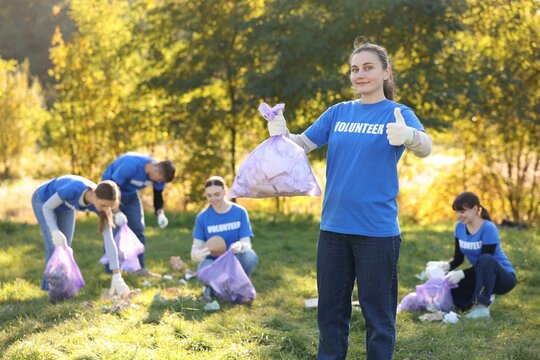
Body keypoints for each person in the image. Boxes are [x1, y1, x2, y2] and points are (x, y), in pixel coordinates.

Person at [267, 40, 432, 359]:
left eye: (368, 68)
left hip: (377, 233)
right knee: (330, 315)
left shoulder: (398, 113)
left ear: (386, 71)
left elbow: (426, 147)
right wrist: (281, 133)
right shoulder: (338, 112)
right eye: (355, 69)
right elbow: (302, 144)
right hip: (333, 231)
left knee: (379, 319)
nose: (360, 75)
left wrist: (410, 137)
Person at [31, 175, 130, 297]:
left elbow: (109, 240)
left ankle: (59, 291)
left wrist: (116, 274)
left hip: (66, 206)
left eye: (109, 207)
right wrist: (54, 231)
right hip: (43, 200)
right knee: (55, 246)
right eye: (104, 205)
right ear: (94, 195)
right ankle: (54, 293)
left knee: (65, 246)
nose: (106, 209)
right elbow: (47, 207)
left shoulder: (102, 205)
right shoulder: (73, 189)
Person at [426, 191, 517, 319]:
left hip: (503, 278)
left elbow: (486, 261)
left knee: (485, 259)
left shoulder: (488, 228)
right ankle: (461, 305)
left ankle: (483, 306)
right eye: (457, 212)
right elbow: (458, 259)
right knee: (450, 288)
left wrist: (462, 274)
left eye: (462, 211)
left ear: (475, 209)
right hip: (479, 274)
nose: (459, 215)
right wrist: (443, 266)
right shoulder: (459, 228)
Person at [101, 152, 176, 277]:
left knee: (138, 228)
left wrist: (160, 213)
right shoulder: (131, 165)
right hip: (109, 192)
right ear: (156, 170)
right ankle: (112, 271)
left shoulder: (158, 175)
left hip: (130, 194)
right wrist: (117, 212)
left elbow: (158, 195)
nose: (159, 182)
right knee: (114, 231)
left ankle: (139, 268)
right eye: (159, 179)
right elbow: (112, 188)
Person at [190, 176, 258, 302]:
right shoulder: (202, 217)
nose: (213, 199)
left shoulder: (240, 212)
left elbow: (247, 242)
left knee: (250, 256)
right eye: (209, 195)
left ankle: (239, 285)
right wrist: (196, 254)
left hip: (235, 258)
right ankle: (215, 288)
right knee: (202, 271)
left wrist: (241, 246)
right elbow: (196, 246)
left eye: (217, 194)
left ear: (225, 192)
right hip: (214, 262)